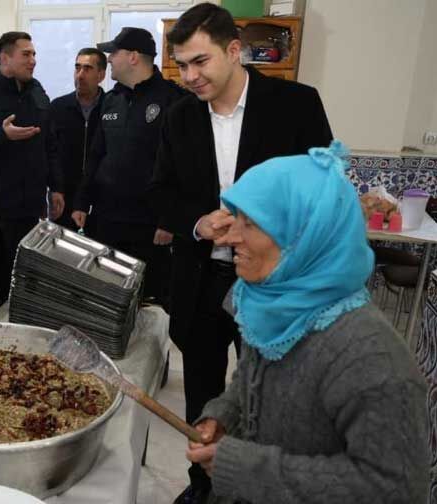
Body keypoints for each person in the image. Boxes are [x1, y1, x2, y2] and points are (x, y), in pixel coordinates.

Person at [148, 5, 334, 502]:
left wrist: (268, 227)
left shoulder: (295, 104)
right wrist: (197, 222)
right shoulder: (179, 115)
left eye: (200, 62)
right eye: (182, 64)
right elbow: (162, 191)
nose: (189, 76)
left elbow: (323, 188)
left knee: (270, 396)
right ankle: (201, 487)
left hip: (274, 284)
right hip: (202, 281)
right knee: (204, 395)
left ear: (234, 51)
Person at [184, 141, 428, 504]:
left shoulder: (371, 359)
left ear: (303, 238)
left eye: (250, 225)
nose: (231, 237)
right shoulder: (271, 304)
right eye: (236, 219)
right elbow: (251, 380)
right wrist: (223, 416)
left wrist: (245, 469)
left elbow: (394, 488)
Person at [71, 28, 184, 305]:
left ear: (133, 57)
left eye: (114, 53)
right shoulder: (111, 99)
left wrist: (169, 220)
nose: (109, 58)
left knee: (149, 301)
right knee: (107, 295)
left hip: (150, 224)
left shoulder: (174, 100)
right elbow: (96, 154)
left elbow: (183, 167)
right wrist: (81, 202)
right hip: (108, 220)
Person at [0, 31, 63, 306]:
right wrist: (1, 135)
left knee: (24, 282)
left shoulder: (37, 93)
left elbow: (50, 144)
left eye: (34, 54)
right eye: (26, 54)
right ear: (4, 58)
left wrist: (56, 187)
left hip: (30, 208)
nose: (33, 60)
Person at [49, 47, 106, 231]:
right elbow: (51, 152)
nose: (80, 75)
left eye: (87, 69)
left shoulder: (111, 108)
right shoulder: (58, 107)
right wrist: (56, 187)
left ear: (101, 75)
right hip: (63, 198)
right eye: (77, 68)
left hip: (99, 200)